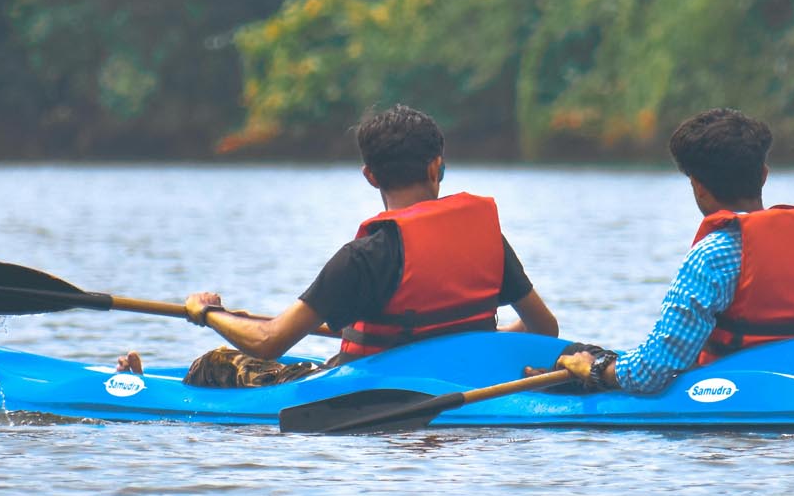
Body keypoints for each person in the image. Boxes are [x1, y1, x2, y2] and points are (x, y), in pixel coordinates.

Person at [118, 105, 559, 386]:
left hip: (368, 386)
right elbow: (543, 328)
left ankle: (137, 387)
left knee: (213, 363)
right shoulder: (485, 238)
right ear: (435, 168)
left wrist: (208, 313)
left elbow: (270, 341)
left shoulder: (365, 256)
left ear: (370, 176)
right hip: (470, 380)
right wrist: (469, 340)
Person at [559, 108, 794, 394]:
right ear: (764, 175)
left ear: (698, 186)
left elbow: (650, 373)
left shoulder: (713, 256)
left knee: (574, 354)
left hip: (732, 395)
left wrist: (596, 368)